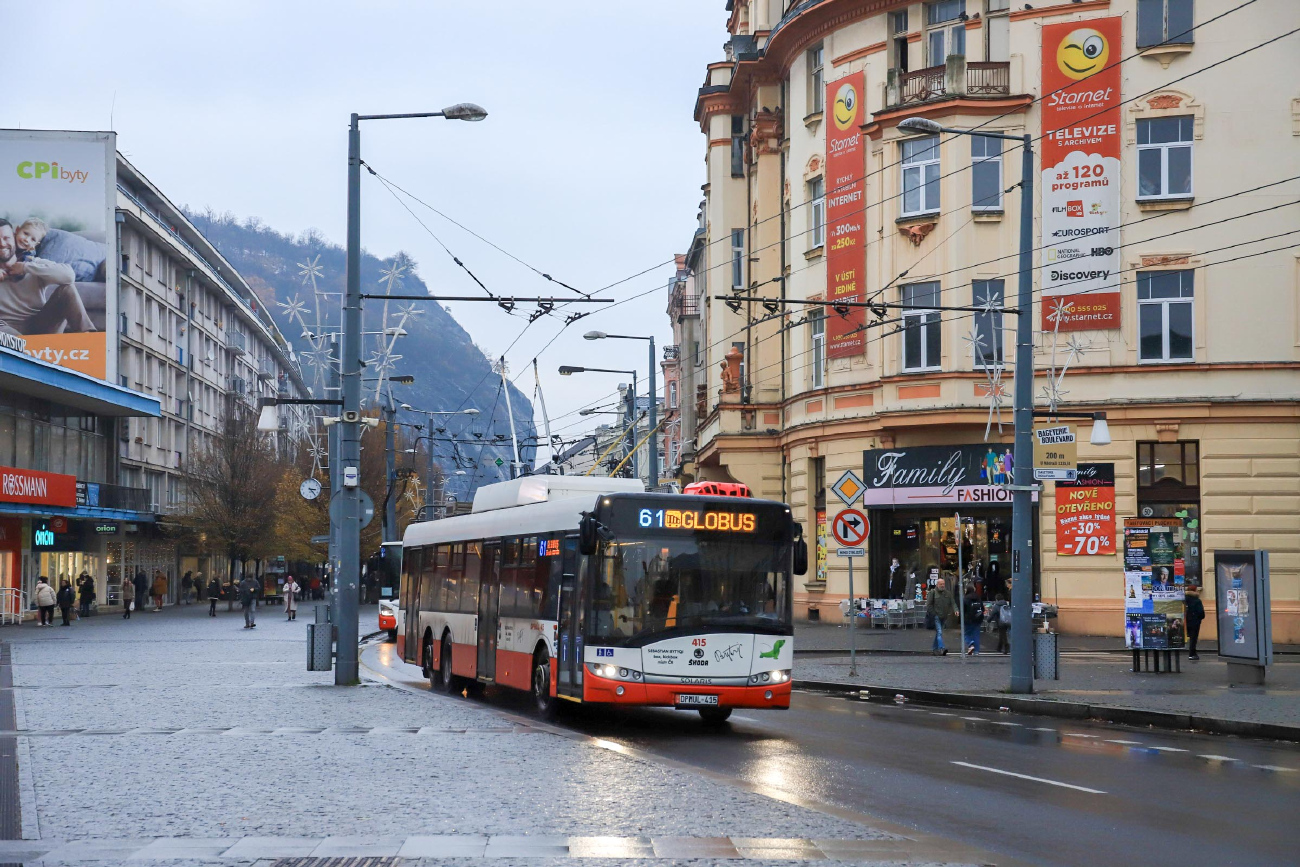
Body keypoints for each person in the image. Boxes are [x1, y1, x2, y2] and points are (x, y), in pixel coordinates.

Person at [0, 219, 97, 336]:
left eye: (6, 238)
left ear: (13, 237)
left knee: (67, 289)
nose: (2, 243)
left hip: (41, 325)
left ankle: (89, 338)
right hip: (6, 328)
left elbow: (69, 276)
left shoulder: (33, 263)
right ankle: (25, 349)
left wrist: (26, 268)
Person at [926, 577, 956, 656]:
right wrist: (934, 614)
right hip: (936, 616)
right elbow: (928, 605)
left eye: (943, 584)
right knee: (939, 632)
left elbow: (952, 602)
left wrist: (956, 610)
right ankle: (941, 648)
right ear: (937, 584)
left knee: (938, 633)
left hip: (944, 616)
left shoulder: (947, 593)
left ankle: (935, 649)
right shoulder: (933, 592)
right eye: (941, 584)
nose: (942, 585)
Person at [1185, 587, 1206, 660]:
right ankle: (1192, 653)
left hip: (1184, 621)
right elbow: (1201, 613)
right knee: (1193, 638)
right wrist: (1200, 618)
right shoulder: (1197, 600)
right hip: (1194, 621)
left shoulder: (1184, 599)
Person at [962, 585, 984, 656]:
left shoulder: (966, 598)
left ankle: (970, 644)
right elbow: (982, 608)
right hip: (978, 618)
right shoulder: (978, 597)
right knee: (976, 634)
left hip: (969, 619)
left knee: (966, 633)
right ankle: (976, 651)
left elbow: (963, 609)